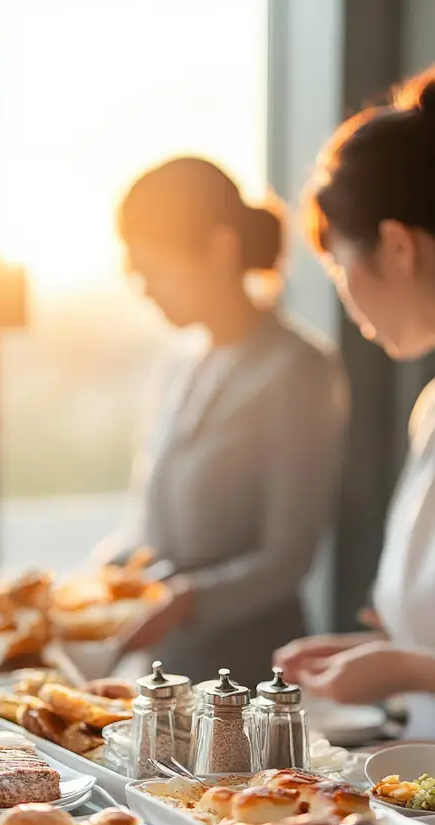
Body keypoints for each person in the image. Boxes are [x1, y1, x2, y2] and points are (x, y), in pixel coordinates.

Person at [98, 157, 348, 685]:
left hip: (254, 677)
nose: (144, 287)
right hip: (169, 671)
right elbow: (151, 526)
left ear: (220, 248)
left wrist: (188, 599)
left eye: (154, 268)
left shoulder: (299, 368)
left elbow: (288, 556)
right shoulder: (179, 361)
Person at [275, 66, 435, 735]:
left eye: (340, 267)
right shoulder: (429, 407)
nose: (348, 302)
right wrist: (377, 653)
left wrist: (400, 669)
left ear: (397, 246)